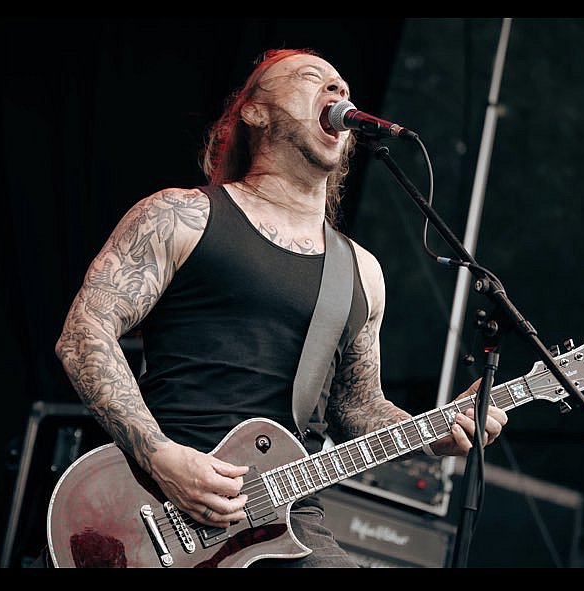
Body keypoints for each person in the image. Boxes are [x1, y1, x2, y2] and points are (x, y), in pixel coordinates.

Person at [53, 47, 508, 568]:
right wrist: (161, 457)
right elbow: (84, 332)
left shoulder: (362, 272)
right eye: (314, 78)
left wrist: (434, 434)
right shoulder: (182, 216)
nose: (338, 91)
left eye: (343, 85)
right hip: (154, 499)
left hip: (286, 523)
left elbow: (357, 407)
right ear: (254, 111)